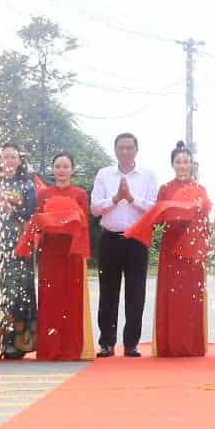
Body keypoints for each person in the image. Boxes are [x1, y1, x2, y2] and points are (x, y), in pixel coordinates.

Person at [127, 143, 215, 357]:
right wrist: (171, 213)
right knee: (171, 292)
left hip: (192, 245)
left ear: (192, 164)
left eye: (186, 162)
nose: (182, 166)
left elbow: (205, 218)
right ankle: (169, 344)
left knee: (190, 295)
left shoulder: (200, 189)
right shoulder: (165, 188)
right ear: (172, 165)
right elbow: (157, 217)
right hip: (171, 243)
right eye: (178, 162)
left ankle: (192, 345)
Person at [91, 132, 159, 357]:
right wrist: (114, 199)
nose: (125, 152)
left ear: (136, 150)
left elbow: (154, 209)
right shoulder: (104, 174)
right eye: (121, 148)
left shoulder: (147, 176)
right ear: (115, 150)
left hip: (136, 240)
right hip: (109, 238)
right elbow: (94, 208)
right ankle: (107, 343)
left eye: (130, 148)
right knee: (108, 292)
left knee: (135, 292)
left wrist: (130, 198)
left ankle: (131, 343)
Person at [26, 151, 92, 361]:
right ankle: (49, 348)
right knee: (50, 299)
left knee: (72, 298)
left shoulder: (80, 194)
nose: (61, 170)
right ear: (53, 170)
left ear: (72, 169)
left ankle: (71, 348)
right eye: (58, 167)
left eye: (65, 166)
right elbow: (38, 221)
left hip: (71, 251)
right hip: (50, 251)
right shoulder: (43, 194)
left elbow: (83, 223)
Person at [0, 143, 39, 359]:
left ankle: (19, 344)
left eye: (13, 157)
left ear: (19, 161)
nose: (8, 161)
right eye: (5, 157)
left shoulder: (27, 185)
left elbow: (31, 212)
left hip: (18, 244)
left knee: (18, 292)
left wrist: (13, 210)